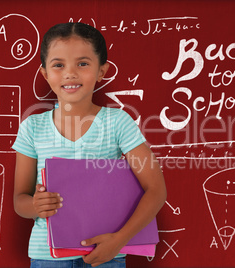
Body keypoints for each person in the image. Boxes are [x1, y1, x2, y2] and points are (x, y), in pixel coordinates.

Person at [13, 22, 167, 268]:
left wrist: (119, 241)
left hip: (106, 253)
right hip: (47, 256)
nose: (70, 73)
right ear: (44, 73)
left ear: (101, 71)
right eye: (59, 65)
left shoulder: (117, 122)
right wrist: (34, 205)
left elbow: (157, 190)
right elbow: (19, 200)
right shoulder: (32, 127)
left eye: (83, 64)